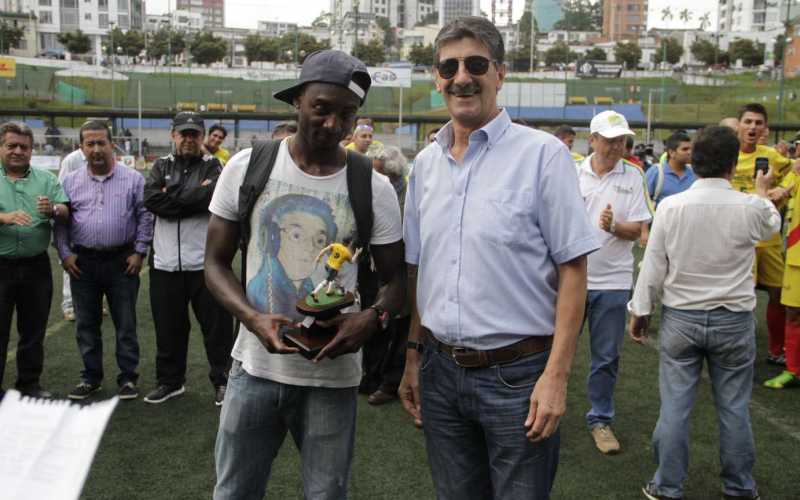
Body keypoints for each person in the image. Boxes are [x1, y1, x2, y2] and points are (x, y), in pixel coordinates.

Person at [399, 17, 600, 499]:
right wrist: (412, 357)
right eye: (448, 67)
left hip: (518, 376)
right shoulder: (425, 164)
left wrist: (556, 377)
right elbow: (421, 271)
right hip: (440, 372)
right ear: (436, 77)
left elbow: (574, 270)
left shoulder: (543, 156)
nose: (461, 77)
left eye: (475, 64)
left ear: (500, 73)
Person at [205, 49, 405, 499]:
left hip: (332, 382)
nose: (334, 124)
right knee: (234, 491)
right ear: (297, 101)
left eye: (347, 114)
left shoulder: (373, 187)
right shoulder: (247, 167)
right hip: (253, 371)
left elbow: (395, 283)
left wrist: (370, 319)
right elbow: (214, 263)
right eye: (321, 108)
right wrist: (252, 319)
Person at [629, 126, 779, 500]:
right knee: (734, 408)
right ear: (733, 164)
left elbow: (653, 264)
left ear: (694, 162)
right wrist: (761, 193)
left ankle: (667, 485)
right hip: (734, 318)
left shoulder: (671, 206)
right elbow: (770, 224)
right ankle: (739, 486)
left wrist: (640, 310)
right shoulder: (749, 207)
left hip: (683, 317)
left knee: (676, 407)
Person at [54, 121, 153, 401]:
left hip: (122, 261)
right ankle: (91, 377)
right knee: (86, 324)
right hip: (83, 262)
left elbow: (145, 216)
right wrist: (64, 253)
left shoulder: (133, 179)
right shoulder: (70, 182)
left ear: (112, 144)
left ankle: (128, 378)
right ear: (81, 148)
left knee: (125, 323)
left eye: (101, 143)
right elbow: (60, 223)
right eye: (90, 144)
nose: (96, 149)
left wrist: (140, 251)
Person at [143, 112, 234, 406]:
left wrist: (175, 198)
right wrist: (193, 195)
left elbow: (211, 199)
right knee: (169, 328)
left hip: (205, 265)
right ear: (173, 135)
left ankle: (223, 381)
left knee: (216, 329)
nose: (188, 139)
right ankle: (170, 382)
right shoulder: (160, 166)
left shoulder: (215, 166)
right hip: (165, 264)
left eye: (194, 134)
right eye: (183, 133)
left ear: (202, 137)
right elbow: (152, 200)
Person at [577, 111, 652, 455]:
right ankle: (537, 407)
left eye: (621, 140)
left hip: (613, 280)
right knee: (548, 348)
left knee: (606, 356)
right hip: (570, 277)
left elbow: (638, 230)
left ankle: (600, 420)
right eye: (608, 140)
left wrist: (612, 228)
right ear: (592, 140)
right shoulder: (570, 171)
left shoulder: (634, 176)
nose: (615, 146)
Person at [0, 121, 70, 398]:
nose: (18, 151)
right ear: (1, 147)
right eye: (11, 145)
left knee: (33, 329)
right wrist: (4, 218)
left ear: (31, 150)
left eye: (23, 147)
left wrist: (53, 209)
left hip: (36, 266)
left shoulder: (46, 179)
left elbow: (66, 209)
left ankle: (29, 384)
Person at [733, 103, 794, 367]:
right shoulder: (727, 154)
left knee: (779, 293)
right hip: (739, 237)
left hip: (768, 237)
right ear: (739, 125)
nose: (753, 127)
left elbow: (795, 170)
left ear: (765, 128)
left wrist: (784, 190)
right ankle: (735, 349)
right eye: (748, 122)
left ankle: (776, 349)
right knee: (740, 295)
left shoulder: (771, 155)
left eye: (758, 123)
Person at [57, 147, 87, 322]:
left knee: (90, 264)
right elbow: (61, 189)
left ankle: (93, 302)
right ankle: (69, 305)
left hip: (90, 221)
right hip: (73, 219)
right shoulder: (71, 160)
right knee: (70, 263)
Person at [645, 130, 695, 206]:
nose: (689, 152)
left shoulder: (695, 173)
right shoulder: (656, 172)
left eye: (691, 149)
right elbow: (643, 202)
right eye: (685, 149)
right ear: (672, 153)